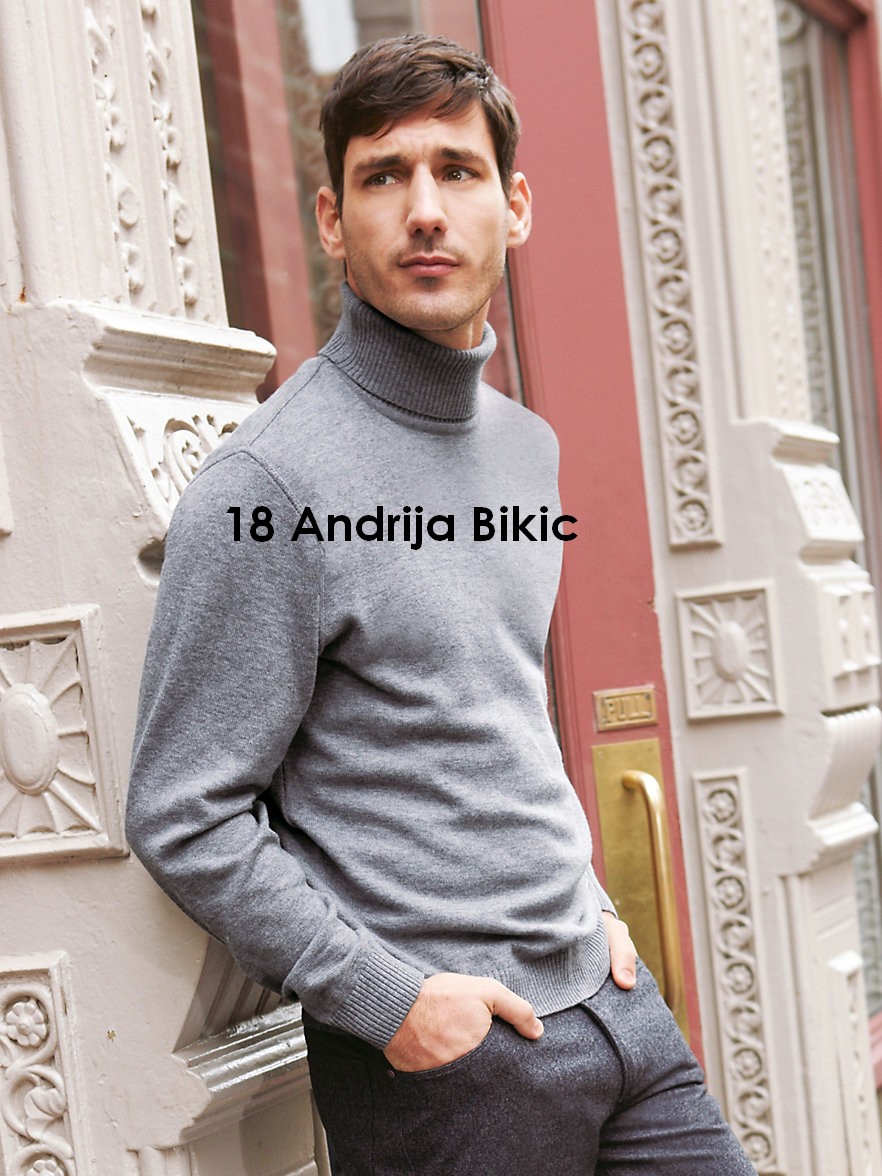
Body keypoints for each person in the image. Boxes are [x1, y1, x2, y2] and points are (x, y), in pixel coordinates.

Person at [126, 33, 757, 1176]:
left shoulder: (526, 450)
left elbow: (491, 709)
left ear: (514, 207)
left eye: (457, 171)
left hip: (614, 1004)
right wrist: (392, 1001)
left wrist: (596, 907)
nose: (425, 211)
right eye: (385, 176)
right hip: (457, 1071)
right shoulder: (269, 485)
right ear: (332, 220)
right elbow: (183, 813)